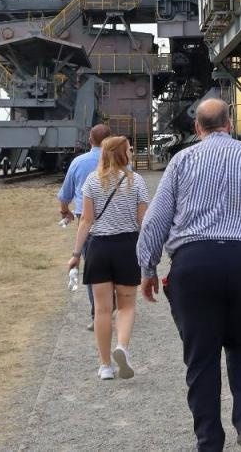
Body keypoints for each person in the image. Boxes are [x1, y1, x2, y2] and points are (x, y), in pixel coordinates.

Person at [138, 97, 241, 452]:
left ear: (197, 128)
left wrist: (148, 267)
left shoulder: (181, 161)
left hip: (194, 265)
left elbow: (155, 219)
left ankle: (209, 441)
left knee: (201, 355)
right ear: (230, 124)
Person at [66, 135, 149, 380]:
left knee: (102, 309)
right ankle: (121, 346)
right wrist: (150, 251)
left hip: (99, 247)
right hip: (127, 247)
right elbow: (143, 221)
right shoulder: (136, 181)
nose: (131, 152)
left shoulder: (93, 181)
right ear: (122, 153)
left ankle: (105, 366)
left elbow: (86, 220)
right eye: (129, 149)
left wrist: (76, 254)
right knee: (126, 305)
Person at [59, 123, 112, 329]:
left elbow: (65, 194)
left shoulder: (78, 162)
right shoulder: (120, 161)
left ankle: (97, 313)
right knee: (114, 262)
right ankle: (114, 302)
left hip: (87, 221)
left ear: (90, 140)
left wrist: (65, 211)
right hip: (115, 219)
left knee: (93, 266)